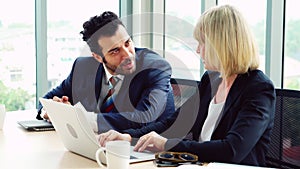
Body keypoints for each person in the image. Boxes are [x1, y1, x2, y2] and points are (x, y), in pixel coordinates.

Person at [98, 5, 276, 167]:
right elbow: (174, 123)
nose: (198, 50)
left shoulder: (258, 88)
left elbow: (232, 150)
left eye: (202, 43)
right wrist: (129, 138)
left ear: (221, 45)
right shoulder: (212, 80)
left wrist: (166, 144)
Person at [36, 11, 175, 136]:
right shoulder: (82, 67)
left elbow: (143, 119)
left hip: (146, 152)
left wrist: (78, 118)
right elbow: (48, 99)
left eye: (127, 43)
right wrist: (50, 112)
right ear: (97, 57)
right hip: (98, 146)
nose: (127, 55)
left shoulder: (155, 68)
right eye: (115, 51)